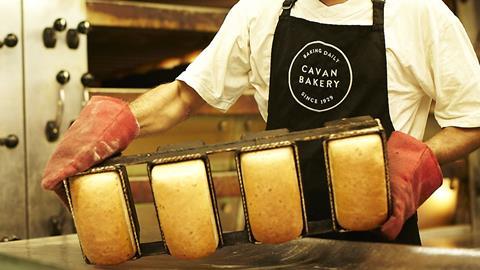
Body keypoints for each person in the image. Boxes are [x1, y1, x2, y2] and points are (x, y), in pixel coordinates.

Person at [41, 0, 480, 245]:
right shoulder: (260, 12)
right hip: (281, 234)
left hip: (384, 237)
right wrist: (114, 123)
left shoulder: (421, 14)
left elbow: (473, 118)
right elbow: (184, 95)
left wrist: (419, 156)